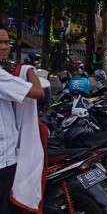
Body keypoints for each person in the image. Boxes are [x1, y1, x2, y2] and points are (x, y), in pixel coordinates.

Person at [0, 29, 44, 213]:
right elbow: (37, 92)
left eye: (6, 42)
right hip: (4, 159)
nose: (4, 47)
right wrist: (30, 70)